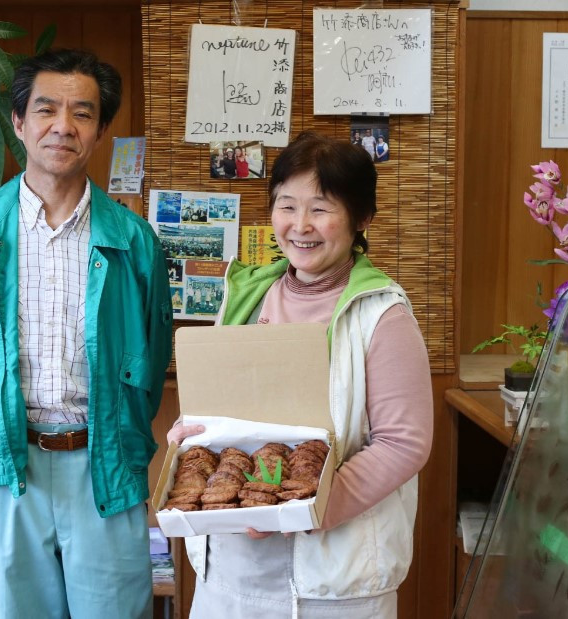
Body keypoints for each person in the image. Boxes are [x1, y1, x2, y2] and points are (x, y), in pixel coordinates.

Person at [0, 49, 173, 619]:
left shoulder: (134, 240)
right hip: (8, 461)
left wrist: (118, 430)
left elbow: (151, 355)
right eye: (46, 109)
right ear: (19, 123)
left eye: (83, 113)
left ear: (99, 131)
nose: (63, 126)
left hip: (104, 463)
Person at [167, 131, 432, 618]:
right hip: (234, 567)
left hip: (334, 578)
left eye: (322, 208)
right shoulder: (247, 294)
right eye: (286, 206)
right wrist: (192, 435)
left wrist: (304, 509)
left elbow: (404, 442)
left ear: (362, 218)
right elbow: (229, 415)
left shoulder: (382, 314)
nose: (300, 225)